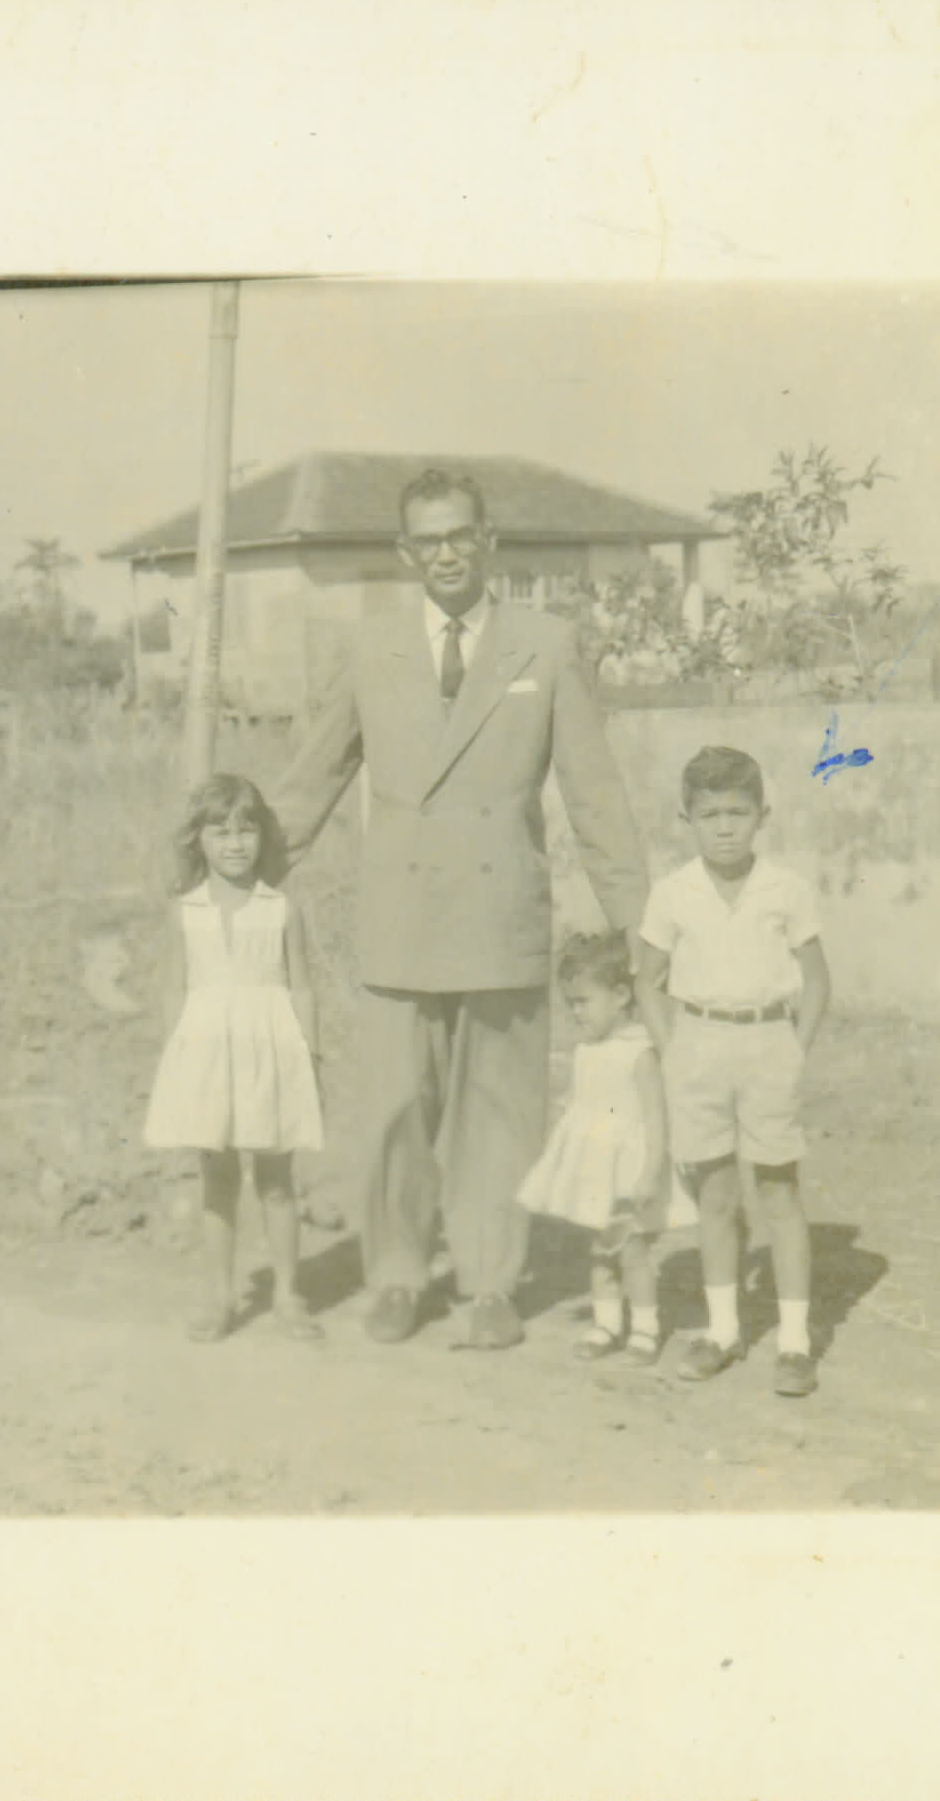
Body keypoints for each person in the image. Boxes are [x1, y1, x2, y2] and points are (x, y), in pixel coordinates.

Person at [273, 469, 649, 1350]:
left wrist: (642, 924)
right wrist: (235, 874)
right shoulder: (369, 648)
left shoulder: (545, 645)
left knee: (497, 1114)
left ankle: (488, 1283)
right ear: (406, 554)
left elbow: (594, 795)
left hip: (499, 913)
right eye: (427, 540)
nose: (444, 554)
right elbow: (311, 777)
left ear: (488, 544)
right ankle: (397, 1275)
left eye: (458, 536)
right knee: (395, 1111)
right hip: (398, 918)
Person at [634, 745, 833, 1396]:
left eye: (737, 813)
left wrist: (794, 1048)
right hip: (698, 1045)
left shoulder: (785, 889)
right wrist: (672, 1048)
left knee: (778, 1192)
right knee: (714, 1197)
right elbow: (647, 981)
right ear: (686, 820)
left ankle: (795, 1343)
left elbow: (816, 979)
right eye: (710, 814)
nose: (724, 828)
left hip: (767, 1043)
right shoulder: (672, 893)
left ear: (761, 817)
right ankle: (722, 1332)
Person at [143, 773, 326, 1343]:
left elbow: (302, 986)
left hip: (269, 1050)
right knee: (217, 1178)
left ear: (263, 837)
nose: (235, 843)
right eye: (220, 832)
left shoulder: (281, 909)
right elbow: (174, 988)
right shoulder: (186, 911)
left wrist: (310, 1053)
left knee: (276, 1178)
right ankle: (219, 1296)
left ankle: (288, 1295)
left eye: (246, 830)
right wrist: (176, 1061)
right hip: (207, 1054)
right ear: (197, 840)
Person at [515, 931, 691, 1367]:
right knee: (600, 1248)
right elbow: (579, 1108)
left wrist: (650, 1172)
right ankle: (607, 1323)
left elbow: (656, 1118)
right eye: (570, 1003)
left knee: (631, 1250)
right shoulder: (585, 1051)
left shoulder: (639, 1053)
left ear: (620, 996)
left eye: (583, 1002)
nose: (576, 1012)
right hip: (597, 1167)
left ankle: (646, 1328)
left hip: (628, 1170)